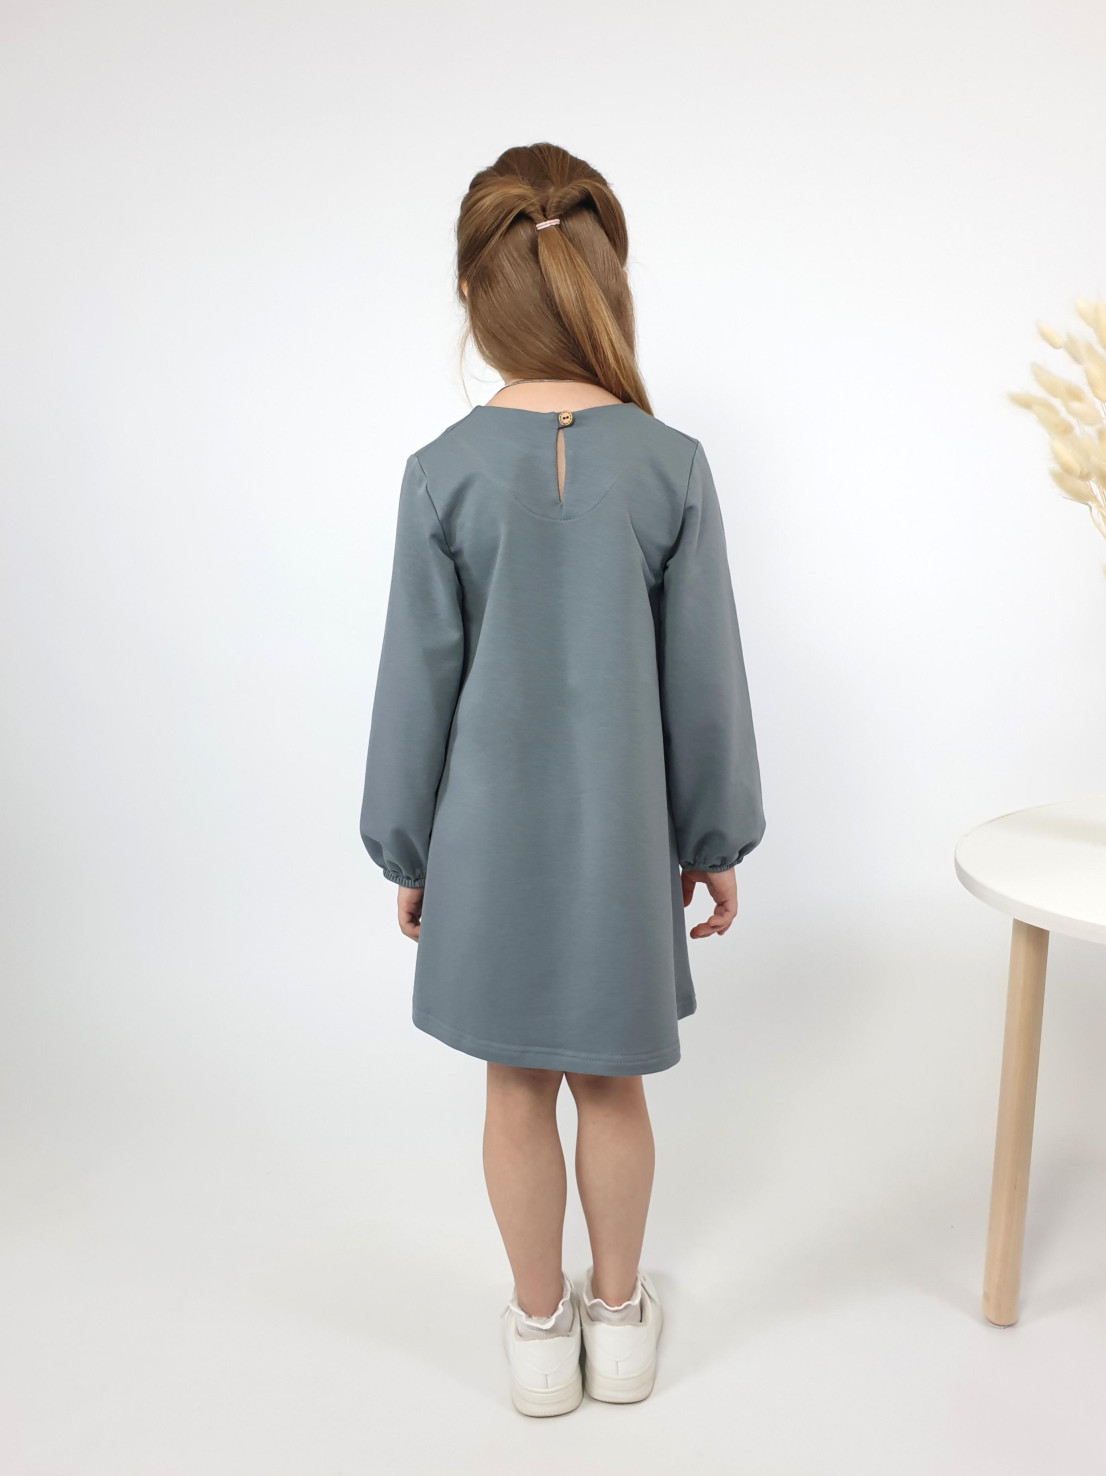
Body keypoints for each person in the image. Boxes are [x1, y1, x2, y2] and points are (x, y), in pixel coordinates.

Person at [359, 141, 766, 1416]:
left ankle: (539, 1334)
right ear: (603, 282)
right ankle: (619, 1323)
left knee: (513, 1087)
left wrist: (407, 848)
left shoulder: (440, 471)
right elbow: (704, 680)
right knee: (612, 1083)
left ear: (474, 296)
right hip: (618, 841)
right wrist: (711, 840)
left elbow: (414, 683)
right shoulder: (668, 464)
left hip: (483, 842)